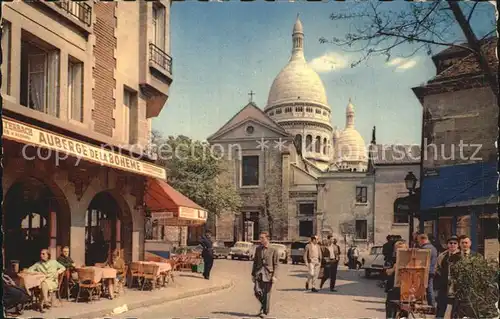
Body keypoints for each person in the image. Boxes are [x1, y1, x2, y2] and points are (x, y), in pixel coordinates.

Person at [251, 231, 279, 318]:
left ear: (267, 238)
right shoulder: (258, 249)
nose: (261, 240)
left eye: (262, 238)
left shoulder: (274, 250)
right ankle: (263, 306)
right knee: (256, 291)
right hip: (259, 273)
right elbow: (255, 262)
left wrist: (275, 276)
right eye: (260, 238)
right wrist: (252, 274)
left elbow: (276, 264)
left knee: (267, 294)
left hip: (268, 274)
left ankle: (265, 312)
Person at [435, 235, 462, 319]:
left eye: (455, 243)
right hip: (444, 283)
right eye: (451, 243)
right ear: (447, 244)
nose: (452, 245)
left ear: (458, 245)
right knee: (441, 303)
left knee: (456, 304)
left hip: (457, 283)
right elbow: (438, 267)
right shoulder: (442, 255)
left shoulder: (461, 256)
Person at [385, 240, 409, 319]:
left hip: (406, 290)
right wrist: (394, 268)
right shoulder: (390, 259)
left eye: (402, 249)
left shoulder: (409, 259)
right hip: (392, 288)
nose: (399, 251)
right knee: (390, 313)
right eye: (397, 249)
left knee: (404, 314)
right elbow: (387, 272)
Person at [417, 233, 438, 307]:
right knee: (429, 287)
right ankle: (431, 304)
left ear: (423, 240)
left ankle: (431, 305)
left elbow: (420, 261)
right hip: (431, 270)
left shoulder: (425, 248)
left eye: (419, 241)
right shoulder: (433, 248)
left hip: (426, 271)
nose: (418, 242)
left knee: (428, 288)